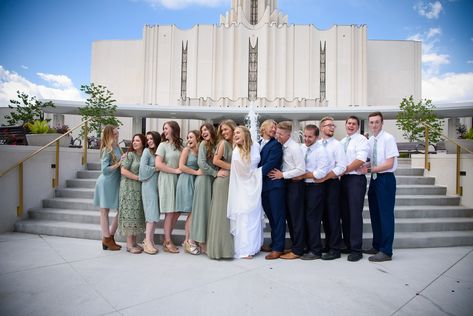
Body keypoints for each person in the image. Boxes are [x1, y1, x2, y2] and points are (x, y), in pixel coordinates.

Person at [361, 111, 399, 262]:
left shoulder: (388, 138)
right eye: (371, 122)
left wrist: (369, 169)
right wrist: (363, 165)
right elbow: (374, 160)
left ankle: (386, 251)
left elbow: (389, 163)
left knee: (385, 215)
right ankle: (377, 245)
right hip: (375, 179)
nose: (374, 125)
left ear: (382, 123)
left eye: (377, 122)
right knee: (375, 214)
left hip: (386, 179)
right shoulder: (371, 140)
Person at [268, 121, 305, 260]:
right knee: (290, 218)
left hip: (295, 185)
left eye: (280, 134)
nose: (277, 136)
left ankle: (298, 250)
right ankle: (295, 246)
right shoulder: (283, 146)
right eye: (277, 133)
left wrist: (282, 175)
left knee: (296, 219)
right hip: (287, 185)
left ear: (288, 134)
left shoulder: (295, 147)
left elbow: (301, 169)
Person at [227, 126, 264, 259]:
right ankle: (245, 250)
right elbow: (243, 173)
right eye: (234, 133)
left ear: (245, 134)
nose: (235, 135)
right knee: (245, 216)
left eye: (238, 132)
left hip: (255, 186)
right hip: (244, 186)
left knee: (254, 215)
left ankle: (255, 246)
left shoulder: (255, 146)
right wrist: (260, 172)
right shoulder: (236, 152)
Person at [298, 124, 330, 260]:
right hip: (302, 187)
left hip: (315, 188)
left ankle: (316, 251)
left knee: (313, 219)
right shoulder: (302, 148)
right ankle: (307, 246)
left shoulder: (321, 151)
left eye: (310, 137)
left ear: (316, 137)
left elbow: (321, 172)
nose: (306, 139)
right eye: (305, 136)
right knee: (304, 218)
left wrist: (304, 175)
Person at [340, 116, 370, 262]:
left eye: (354, 124)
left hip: (355, 179)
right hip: (343, 180)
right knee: (345, 214)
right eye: (349, 123)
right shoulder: (343, 141)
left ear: (358, 126)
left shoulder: (361, 140)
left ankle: (356, 249)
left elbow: (360, 159)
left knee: (354, 214)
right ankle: (348, 244)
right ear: (345, 125)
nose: (351, 126)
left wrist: (343, 170)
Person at [317, 116, 347, 260]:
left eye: (333, 126)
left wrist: (325, 177)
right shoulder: (317, 144)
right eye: (328, 125)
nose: (332, 128)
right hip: (319, 184)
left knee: (333, 216)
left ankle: (335, 249)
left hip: (332, 184)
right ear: (322, 128)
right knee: (324, 216)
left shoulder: (337, 145)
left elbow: (341, 166)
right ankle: (328, 245)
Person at [207, 120, 237, 259]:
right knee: (222, 216)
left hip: (232, 182)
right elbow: (215, 161)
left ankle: (228, 248)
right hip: (223, 182)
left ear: (233, 129)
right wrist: (233, 168)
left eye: (226, 129)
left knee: (228, 215)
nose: (224, 132)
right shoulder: (223, 144)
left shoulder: (235, 144)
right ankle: (220, 250)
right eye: (222, 130)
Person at [258, 119, 286, 260]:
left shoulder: (276, 145)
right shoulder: (257, 144)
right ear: (263, 128)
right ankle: (274, 243)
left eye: (275, 127)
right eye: (272, 127)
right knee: (271, 217)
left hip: (274, 186)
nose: (274, 129)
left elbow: (270, 164)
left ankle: (278, 248)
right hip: (263, 187)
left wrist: (254, 175)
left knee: (278, 217)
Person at [190, 123, 218, 254]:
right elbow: (201, 163)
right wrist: (215, 173)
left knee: (209, 211)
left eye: (206, 129)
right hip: (203, 180)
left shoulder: (216, 144)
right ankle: (201, 242)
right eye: (202, 131)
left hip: (212, 181)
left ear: (211, 130)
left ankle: (206, 240)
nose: (204, 132)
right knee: (202, 211)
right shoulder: (202, 144)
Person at [93, 125, 122, 251]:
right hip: (106, 183)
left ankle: (109, 237)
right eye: (114, 134)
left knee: (120, 210)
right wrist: (118, 164)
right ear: (109, 135)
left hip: (115, 182)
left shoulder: (117, 148)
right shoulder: (107, 150)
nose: (117, 135)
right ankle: (107, 238)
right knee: (104, 211)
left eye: (117, 133)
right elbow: (104, 170)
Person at [156, 121, 183, 253]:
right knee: (170, 211)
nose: (164, 131)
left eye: (166, 128)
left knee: (177, 211)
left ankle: (166, 237)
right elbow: (158, 164)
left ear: (173, 129)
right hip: (167, 179)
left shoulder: (180, 146)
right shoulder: (162, 145)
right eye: (164, 129)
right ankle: (167, 241)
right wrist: (175, 171)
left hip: (178, 180)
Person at [118, 134, 146, 254]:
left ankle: (134, 242)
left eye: (137, 141)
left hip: (139, 189)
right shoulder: (129, 155)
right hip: (128, 187)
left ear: (143, 143)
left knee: (136, 214)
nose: (134, 142)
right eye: (133, 140)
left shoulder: (144, 155)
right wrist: (137, 177)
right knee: (129, 214)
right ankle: (129, 245)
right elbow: (123, 170)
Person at [176, 130, 202, 255]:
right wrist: (196, 173)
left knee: (194, 211)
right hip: (186, 180)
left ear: (197, 138)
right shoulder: (186, 150)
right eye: (187, 137)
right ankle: (188, 240)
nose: (188, 139)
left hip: (195, 181)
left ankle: (190, 240)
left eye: (191, 137)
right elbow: (181, 166)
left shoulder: (199, 150)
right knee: (191, 211)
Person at [139, 131, 161, 255]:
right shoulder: (146, 152)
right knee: (151, 214)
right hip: (148, 185)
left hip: (156, 186)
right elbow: (142, 169)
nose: (149, 141)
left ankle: (150, 240)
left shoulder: (157, 152)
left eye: (151, 138)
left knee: (154, 214)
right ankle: (147, 242)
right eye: (148, 139)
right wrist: (156, 168)